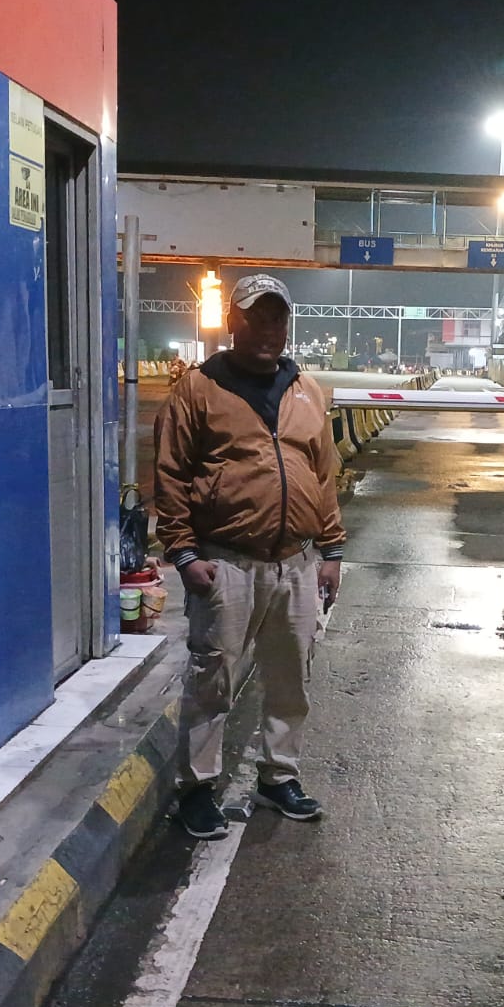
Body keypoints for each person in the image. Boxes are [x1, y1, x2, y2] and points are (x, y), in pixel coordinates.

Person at [154, 273, 345, 839]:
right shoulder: (198, 389)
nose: (267, 330)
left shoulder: (307, 390)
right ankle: (196, 789)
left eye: (276, 319)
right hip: (227, 562)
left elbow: (323, 475)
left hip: (297, 562)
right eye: (255, 318)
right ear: (233, 322)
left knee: (290, 679)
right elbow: (171, 476)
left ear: (287, 324)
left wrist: (331, 550)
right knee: (213, 680)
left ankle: (279, 777)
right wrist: (184, 553)